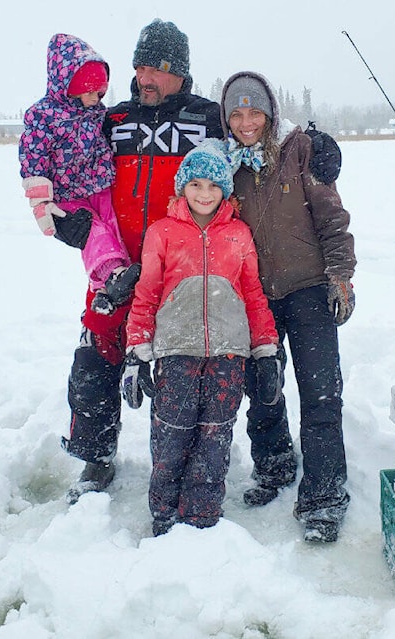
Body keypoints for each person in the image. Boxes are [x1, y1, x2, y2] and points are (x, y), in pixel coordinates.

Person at [63, 20, 225, 503]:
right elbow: (62, 158)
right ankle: (95, 456)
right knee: (95, 354)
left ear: (179, 72)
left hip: (181, 271)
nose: (143, 76)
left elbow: (257, 139)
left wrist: (313, 148)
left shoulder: (208, 119)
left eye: (155, 67)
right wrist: (65, 218)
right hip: (116, 267)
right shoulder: (110, 121)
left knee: (182, 369)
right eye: (138, 66)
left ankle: (183, 463)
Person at [220, 71, 357, 542]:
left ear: (270, 113)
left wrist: (341, 274)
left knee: (321, 393)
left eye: (254, 112)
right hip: (255, 297)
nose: (246, 122)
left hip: (310, 290)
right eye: (236, 114)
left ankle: (324, 495)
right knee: (263, 387)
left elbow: (332, 215)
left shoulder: (300, 150)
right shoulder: (222, 164)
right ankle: (274, 466)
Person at [121, 140, 282, 535]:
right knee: (172, 432)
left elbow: (254, 295)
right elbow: (147, 293)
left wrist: (265, 350)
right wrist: (136, 351)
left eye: (213, 185)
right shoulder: (162, 233)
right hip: (177, 349)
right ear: (182, 187)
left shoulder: (239, 234)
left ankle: (202, 516)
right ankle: (163, 512)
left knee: (215, 434)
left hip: (229, 353)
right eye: (196, 185)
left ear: (225, 190)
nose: (204, 193)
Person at [18, 33, 122, 269]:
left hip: (100, 186)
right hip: (68, 193)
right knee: (91, 232)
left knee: (113, 228)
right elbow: (33, 159)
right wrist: (41, 203)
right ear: (70, 87)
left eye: (100, 93)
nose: (96, 99)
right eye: (90, 92)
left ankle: (121, 272)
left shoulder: (97, 113)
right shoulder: (43, 116)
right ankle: (110, 274)